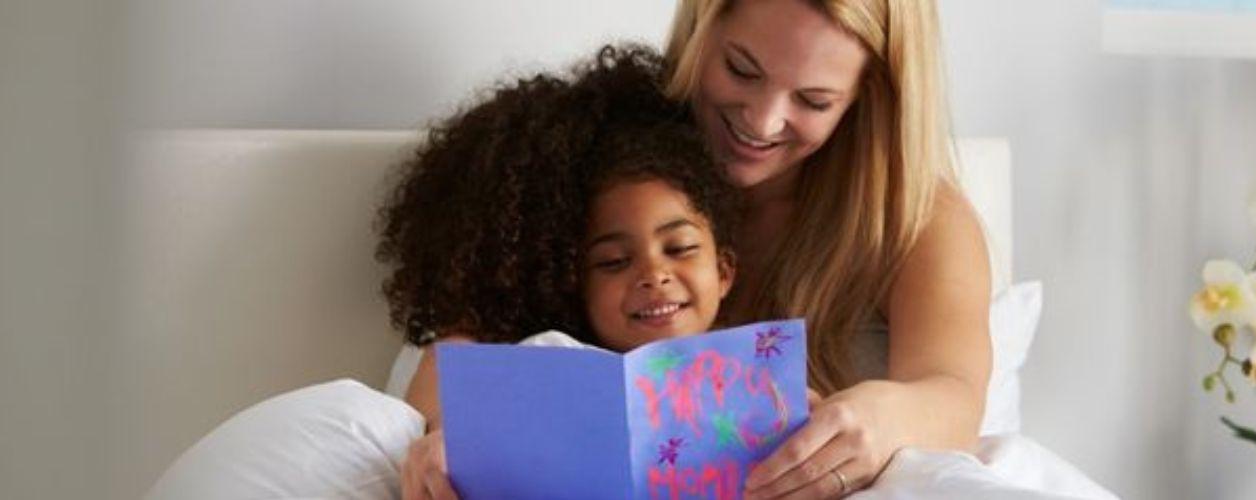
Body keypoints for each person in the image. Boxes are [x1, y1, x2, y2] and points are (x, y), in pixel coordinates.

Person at [402, 1, 992, 498]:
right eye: (741, 69)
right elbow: (463, 342)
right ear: (702, 29)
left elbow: (954, 393)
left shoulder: (912, 216)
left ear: (867, 97)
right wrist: (453, 437)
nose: (763, 121)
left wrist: (879, 419)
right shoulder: (605, 155)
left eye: (814, 101)